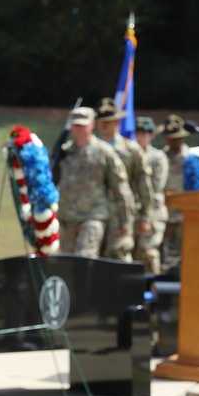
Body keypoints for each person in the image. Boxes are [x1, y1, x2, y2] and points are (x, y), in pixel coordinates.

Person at [55, 107, 135, 260]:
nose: (78, 129)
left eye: (82, 125)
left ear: (92, 124)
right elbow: (52, 181)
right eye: (75, 125)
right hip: (67, 218)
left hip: (92, 217)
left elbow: (121, 188)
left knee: (85, 258)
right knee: (66, 261)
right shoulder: (64, 152)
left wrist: (125, 221)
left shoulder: (104, 152)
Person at [94, 97, 153, 262]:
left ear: (117, 122)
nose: (104, 124)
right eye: (101, 121)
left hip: (121, 213)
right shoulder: (92, 149)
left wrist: (146, 216)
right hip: (95, 211)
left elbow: (143, 184)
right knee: (94, 257)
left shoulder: (131, 150)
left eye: (109, 120)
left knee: (118, 255)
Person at [133, 116, 169, 274]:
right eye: (138, 133)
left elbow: (155, 187)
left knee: (147, 251)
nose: (141, 137)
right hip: (133, 211)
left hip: (153, 211)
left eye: (145, 133)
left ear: (152, 135)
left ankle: (153, 290)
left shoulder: (158, 158)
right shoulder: (130, 154)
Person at [160, 114, 189, 273]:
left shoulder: (190, 158)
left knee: (184, 249)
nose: (173, 141)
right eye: (169, 138)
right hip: (165, 212)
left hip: (185, 213)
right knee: (165, 250)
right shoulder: (160, 157)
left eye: (176, 138)